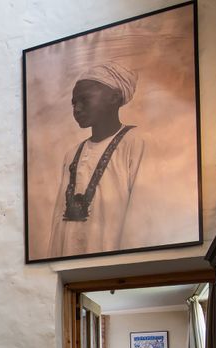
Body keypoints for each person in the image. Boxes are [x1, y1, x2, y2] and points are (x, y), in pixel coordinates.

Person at [48, 62, 146, 258]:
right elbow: (59, 217)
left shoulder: (136, 142)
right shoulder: (72, 153)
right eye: (74, 103)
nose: (77, 108)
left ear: (114, 98)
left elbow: (142, 212)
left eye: (85, 100)